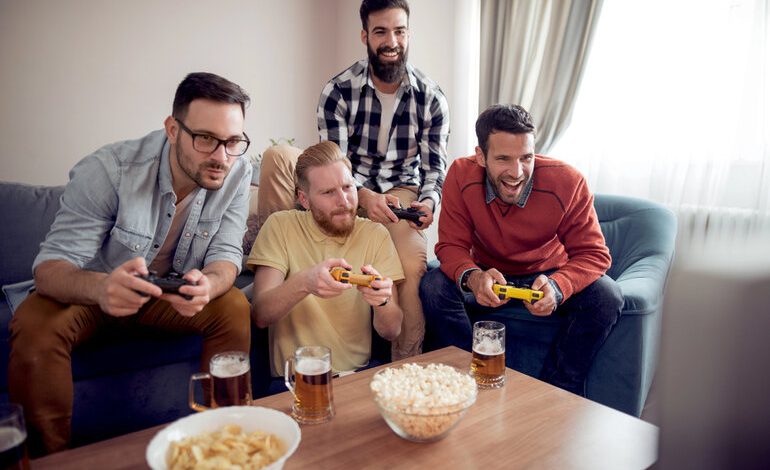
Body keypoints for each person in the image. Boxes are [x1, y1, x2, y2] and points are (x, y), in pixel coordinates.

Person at [8, 72, 253, 455]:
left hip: (165, 295)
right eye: (206, 138)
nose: (221, 157)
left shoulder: (238, 170)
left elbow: (227, 255)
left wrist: (208, 283)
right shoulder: (110, 170)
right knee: (34, 323)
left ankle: (226, 446)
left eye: (233, 141)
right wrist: (102, 288)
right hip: (93, 293)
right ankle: (48, 460)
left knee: (234, 305)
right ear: (173, 129)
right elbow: (50, 269)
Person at [256, 0, 450, 361]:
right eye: (381, 32)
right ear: (365, 36)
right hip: (348, 183)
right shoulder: (338, 91)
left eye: (399, 31)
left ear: (408, 34)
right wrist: (363, 196)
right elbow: (335, 161)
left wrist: (428, 203)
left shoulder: (432, 98)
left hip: (401, 191)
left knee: (411, 264)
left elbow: (434, 170)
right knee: (278, 156)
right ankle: (270, 261)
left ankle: (405, 365)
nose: (391, 41)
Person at [420, 104, 623, 396]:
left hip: (547, 275)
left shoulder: (568, 181)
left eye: (526, 158)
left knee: (606, 296)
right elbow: (451, 246)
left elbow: (595, 254)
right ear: (481, 156)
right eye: (503, 158)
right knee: (433, 286)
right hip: (487, 273)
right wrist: (474, 278)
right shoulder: (461, 174)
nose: (517, 172)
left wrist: (558, 286)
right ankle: (465, 381)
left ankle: (555, 392)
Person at [248, 140, 404, 379]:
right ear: (304, 199)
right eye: (328, 192)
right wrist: (305, 283)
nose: (344, 201)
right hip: (294, 381)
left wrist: (383, 302)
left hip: (356, 376)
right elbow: (260, 315)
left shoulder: (375, 234)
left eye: (347, 187)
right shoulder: (280, 225)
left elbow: (392, 330)